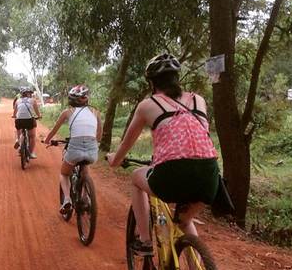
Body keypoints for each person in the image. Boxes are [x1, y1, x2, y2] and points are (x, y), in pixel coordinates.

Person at [106, 53, 219, 256]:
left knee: (135, 178)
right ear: (177, 77)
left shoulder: (148, 105)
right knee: (185, 220)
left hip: (172, 174)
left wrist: (115, 160)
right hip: (209, 175)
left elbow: (126, 143)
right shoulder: (198, 100)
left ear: (152, 83)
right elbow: (195, 136)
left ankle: (145, 241)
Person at [44, 85, 102, 213]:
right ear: (86, 99)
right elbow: (99, 135)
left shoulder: (67, 112)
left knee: (64, 174)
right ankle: (86, 197)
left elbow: (54, 129)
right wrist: (93, 143)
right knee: (85, 165)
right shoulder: (96, 112)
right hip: (92, 151)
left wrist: (47, 140)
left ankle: (67, 200)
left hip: (74, 149)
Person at [13, 87, 42, 158]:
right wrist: (39, 116)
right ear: (29, 94)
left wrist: (14, 116)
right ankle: (31, 153)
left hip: (19, 120)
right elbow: (37, 112)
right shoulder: (33, 100)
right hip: (29, 120)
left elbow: (14, 113)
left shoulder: (18, 101)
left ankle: (19, 140)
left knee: (19, 128)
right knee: (32, 136)